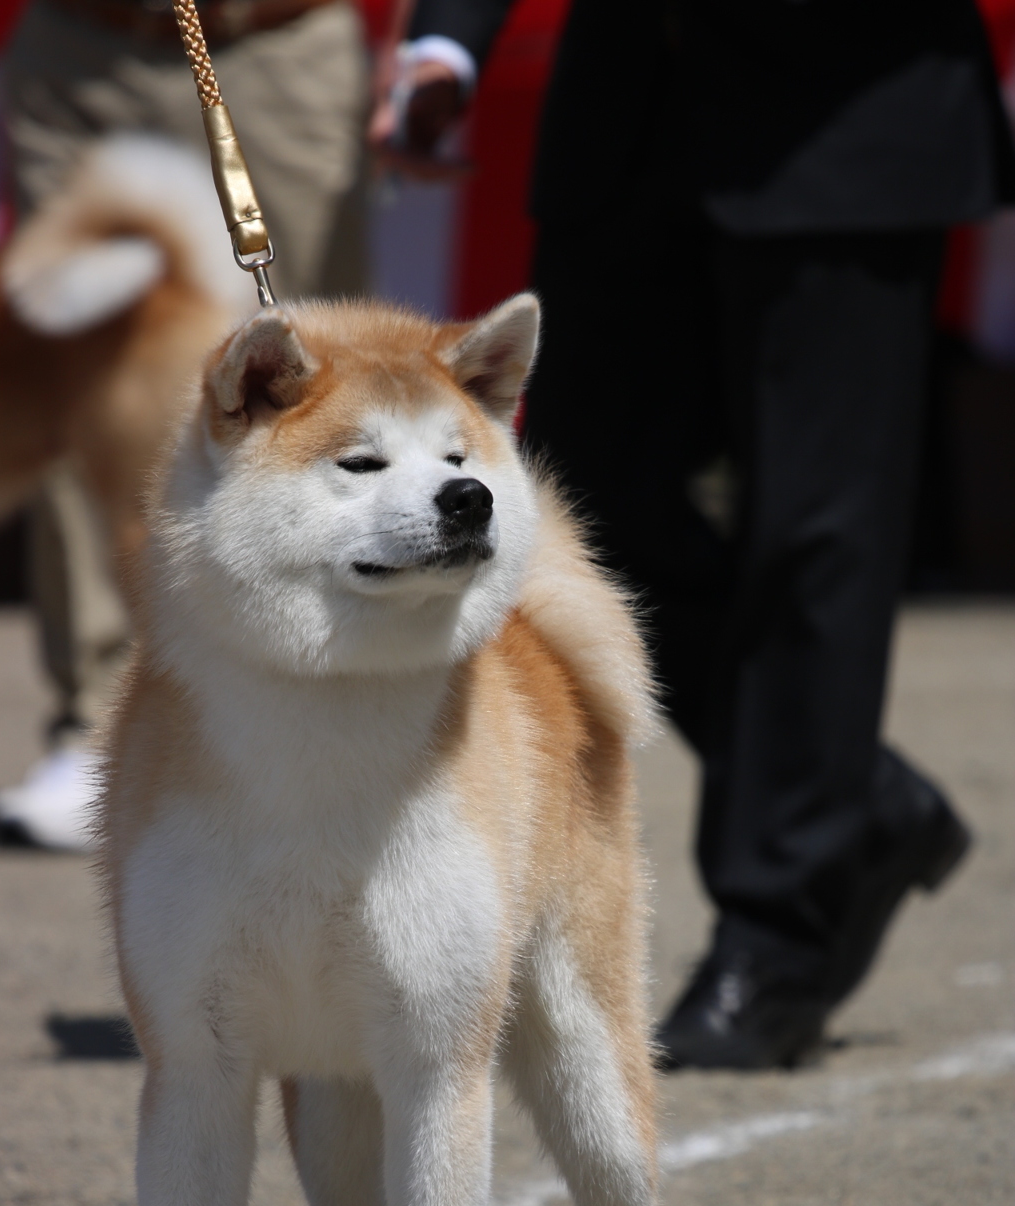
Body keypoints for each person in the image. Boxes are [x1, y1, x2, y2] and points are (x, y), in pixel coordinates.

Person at [373, 0, 1015, 1067]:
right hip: (627, 107)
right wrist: (449, 40)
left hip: (844, 110)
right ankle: (851, 798)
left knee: (816, 527)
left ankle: (782, 930)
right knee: (573, 517)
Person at [0, 0, 369, 849]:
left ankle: (330, 731)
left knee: (312, 408)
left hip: (275, 38)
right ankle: (104, 729)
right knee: (75, 404)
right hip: (79, 43)